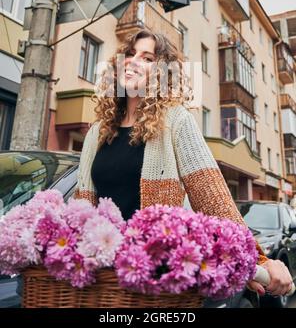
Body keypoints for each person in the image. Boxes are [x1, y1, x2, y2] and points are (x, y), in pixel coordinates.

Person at [75, 29, 292, 299]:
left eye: (147, 57)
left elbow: (212, 197)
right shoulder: (97, 132)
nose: (133, 61)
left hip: (154, 278)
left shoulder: (176, 121)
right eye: (130, 54)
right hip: (103, 278)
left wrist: (258, 259)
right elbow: (82, 207)